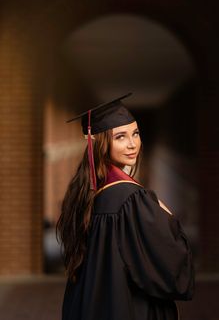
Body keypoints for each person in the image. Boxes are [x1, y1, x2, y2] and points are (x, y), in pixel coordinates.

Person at [57, 93, 194, 320]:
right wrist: (167, 216)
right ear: (100, 143)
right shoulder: (132, 198)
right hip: (129, 307)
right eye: (120, 137)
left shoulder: (87, 190)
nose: (132, 144)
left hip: (90, 305)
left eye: (136, 133)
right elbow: (169, 263)